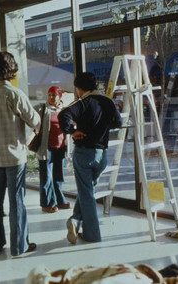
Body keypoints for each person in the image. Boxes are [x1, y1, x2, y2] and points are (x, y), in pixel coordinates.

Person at [0, 51, 41, 257]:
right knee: (16, 201)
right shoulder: (15, 94)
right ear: (12, 71)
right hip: (14, 157)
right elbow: (35, 121)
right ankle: (19, 246)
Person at [58, 72, 123, 244]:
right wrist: (102, 127)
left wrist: (72, 131)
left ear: (79, 88)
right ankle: (75, 220)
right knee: (88, 191)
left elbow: (63, 115)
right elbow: (118, 123)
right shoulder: (108, 102)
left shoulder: (83, 103)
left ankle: (92, 234)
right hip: (101, 155)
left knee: (86, 194)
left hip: (84, 153)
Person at [34, 86, 70, 214]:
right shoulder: (41, 108)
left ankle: (60, 200)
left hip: (60, 147)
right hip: (46, 148)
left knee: (58, 176)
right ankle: (47, 203)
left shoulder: (64, 110)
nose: (50, 97)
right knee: (46, 177)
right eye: (49, 95)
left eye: (53, 95)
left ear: (60, 96)